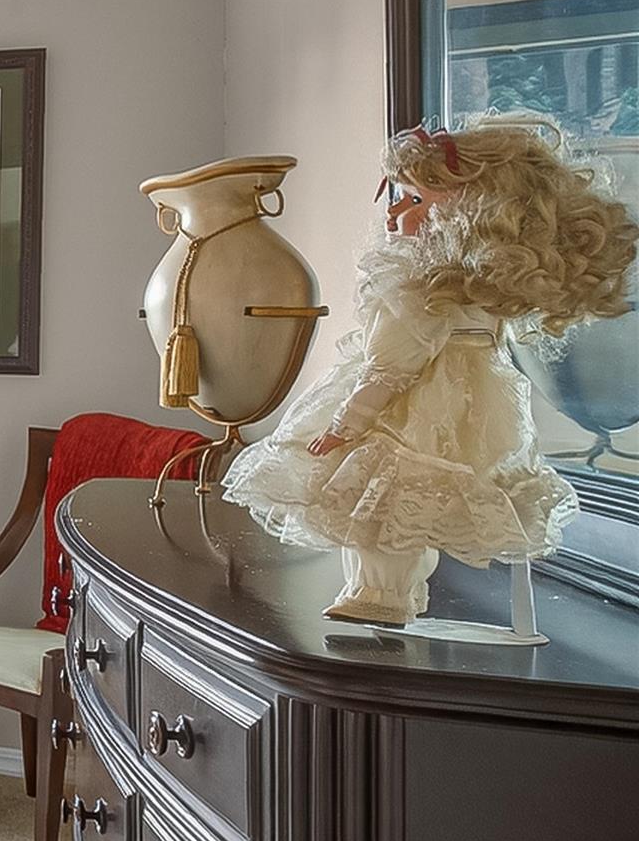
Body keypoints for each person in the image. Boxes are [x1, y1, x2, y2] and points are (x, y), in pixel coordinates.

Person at [225, 116, 638, 623]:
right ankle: (391, 593)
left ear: (470, 213)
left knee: (378, 505)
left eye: (415, 199)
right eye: (398, 196)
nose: (394, 210)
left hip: (413, 406)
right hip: (479, 409)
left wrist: (343, 425)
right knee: (405, 504)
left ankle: (380, 594)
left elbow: (389, 368)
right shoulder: (479, 285)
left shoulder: (419, 285)